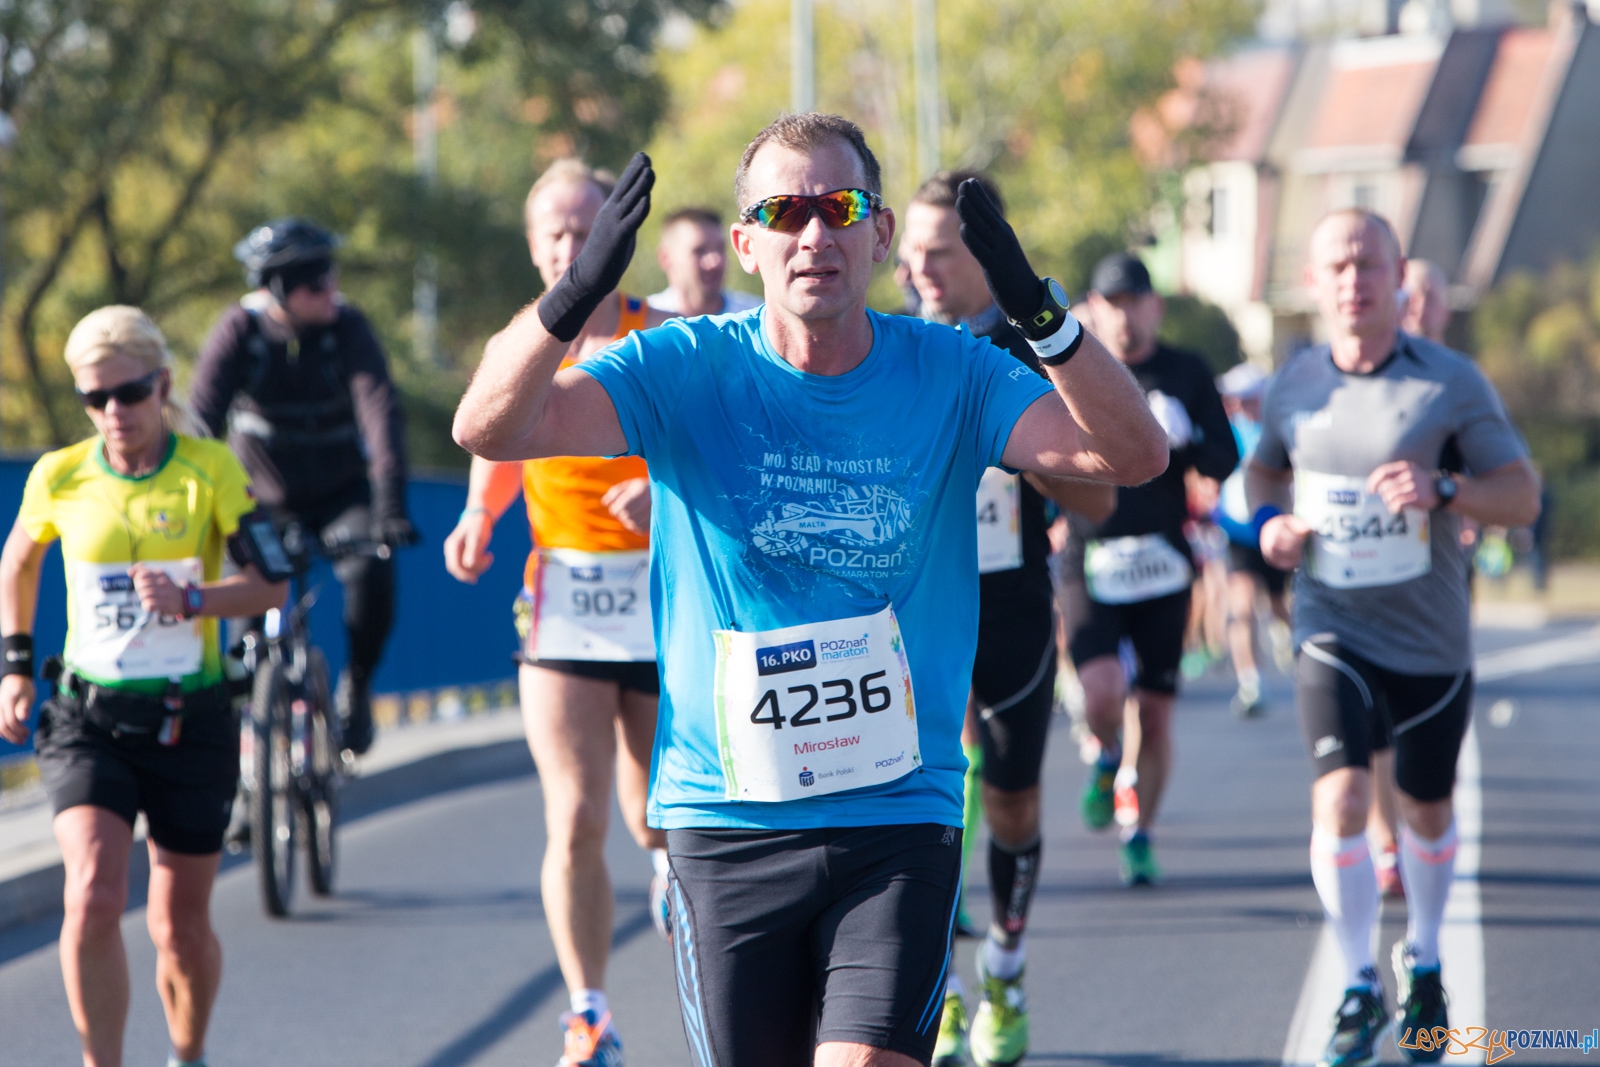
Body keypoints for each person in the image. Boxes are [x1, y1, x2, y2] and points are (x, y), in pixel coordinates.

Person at [452, 115, 1167, 1067]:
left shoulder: (952, 371)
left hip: (898, 814)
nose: (814, 235)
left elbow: (1135, 455)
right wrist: (575, 295)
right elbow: (491, 428)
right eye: (785, 211)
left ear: (878, 236)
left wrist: (1043, 314)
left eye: (841, 207)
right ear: (747, 241)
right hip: (725, 822)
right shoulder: (683, 364)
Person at [1249, 208, 1539, 1067]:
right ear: (1312, 281)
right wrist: (1268, 525)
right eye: (1336, 266)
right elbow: (1261, 470)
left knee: (1426, 806)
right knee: (1340, 798)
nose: (1353, 280)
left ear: (1398, 275)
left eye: (1369, 264)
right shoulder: (1293, 382)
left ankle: (1428, 959)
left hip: (1429, 636)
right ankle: (1355, 981)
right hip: (1330, 624)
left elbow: (1519, 494)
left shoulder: (1449, 381)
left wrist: (1444, 487)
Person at [0, 307, 289, 1067]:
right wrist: (16, 665)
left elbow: (269, 587)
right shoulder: (59, 473)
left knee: (179, 925)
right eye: (94, 400)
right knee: (91, 893)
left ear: (161, 383)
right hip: (89, 717)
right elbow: (18, 563)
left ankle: (186, 1053)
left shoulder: (209, 468)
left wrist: (194, 600)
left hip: (188, 718)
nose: (113, 414)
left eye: (128, 394)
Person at [443, 157, 674, 1067]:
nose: (574, 248)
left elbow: (713, 450)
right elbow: (496, 430)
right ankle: (589, 1011)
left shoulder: (663, 335)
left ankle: (664, 863)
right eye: (558, 235)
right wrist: (474, 514)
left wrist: (669, 493)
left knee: (656, 806)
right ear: (536, 248)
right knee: (574, 814)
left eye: (589, 231)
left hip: (663, 597)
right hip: (565, 602)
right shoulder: (524, 336)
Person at [899, 170, 1115, 1067]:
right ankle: (936, 990)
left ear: (984, 255)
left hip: (1011, 605)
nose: (920, 270)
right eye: (909, 253)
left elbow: (1099, 507)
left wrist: (1032, 458)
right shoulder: (893, 347)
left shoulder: (1039, 351)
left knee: (1013, 800)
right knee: (922, 806)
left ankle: (1008, 964)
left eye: (940, 252)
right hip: (912, 608)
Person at [190, 218, 416, 757]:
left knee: (371, 568)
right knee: (243, 633)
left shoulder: (348, 328)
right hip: (259, 502)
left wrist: (390, 506)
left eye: (331, 278)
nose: (330, 291)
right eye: (316, 285)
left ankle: (357, 686)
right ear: (277, 290)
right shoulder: (239, 332)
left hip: (341, 495)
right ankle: (246, 770)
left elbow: (380, 413)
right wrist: (194, 505)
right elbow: (201, 423)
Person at [1068, 252, 1238, 886]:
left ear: (1154, 306)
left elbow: (1224, 459)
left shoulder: (1186, 371)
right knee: (1103, 692)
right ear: (1092, 309)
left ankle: (1139, 832)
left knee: (1158, 713)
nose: (1124, 316)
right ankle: (1107, 752)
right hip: (1090, 555)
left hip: (1164, 560)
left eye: (1134, 301)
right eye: (1110, 304)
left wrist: (1186, 439)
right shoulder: (1074, 368)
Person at [1210, 362, 1292, 719]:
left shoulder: (1278, 432)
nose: (1238, 406)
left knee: (1278, 605)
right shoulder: (1225, 432)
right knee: (1240, 607)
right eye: (1233, 399)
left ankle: (1290, 640)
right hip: (1238, 533)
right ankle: (1251, 682)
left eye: (1246, 399)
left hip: (1274, 529)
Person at [647, 207, 763, 317]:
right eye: (699, 251)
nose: (715, 262)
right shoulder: (643, 323)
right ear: (665, 258)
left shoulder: (756, 317)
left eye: (720, 249)